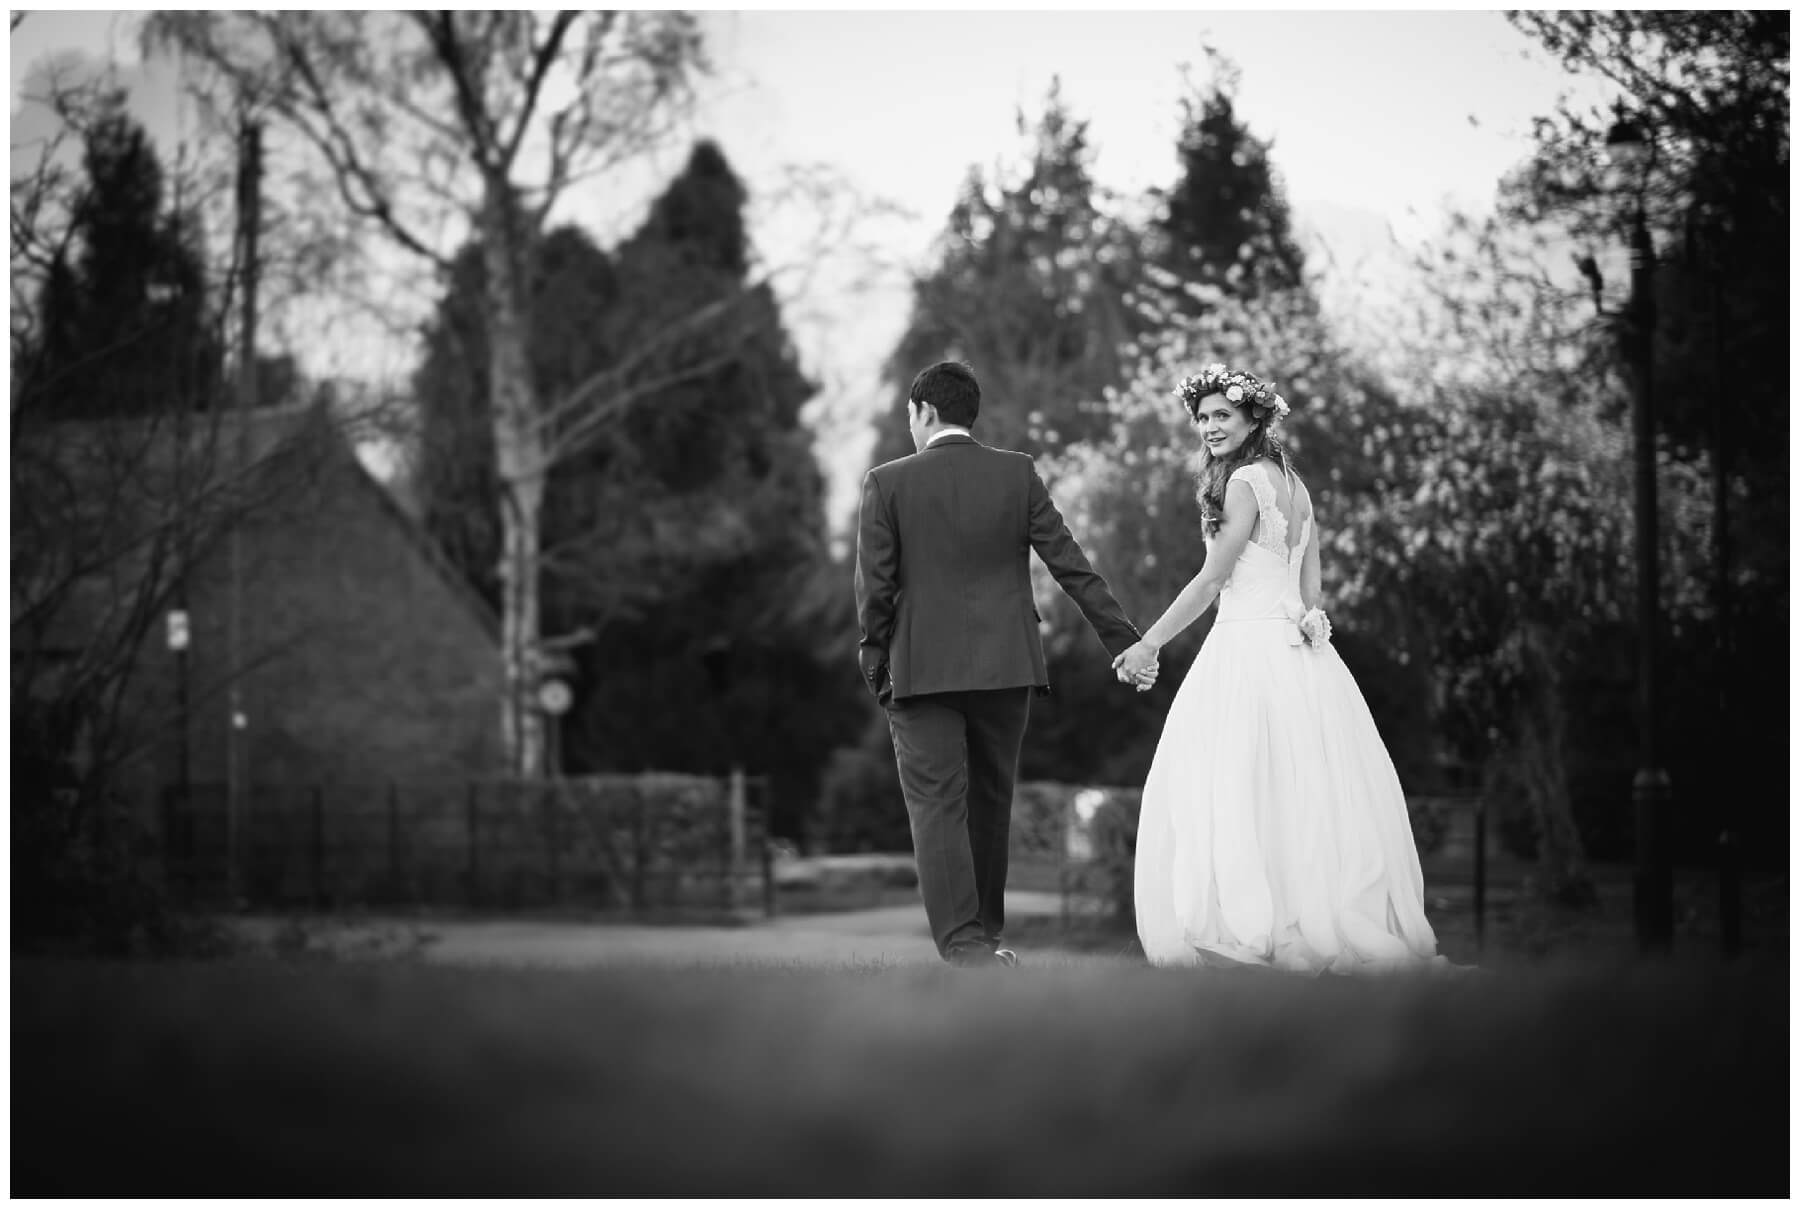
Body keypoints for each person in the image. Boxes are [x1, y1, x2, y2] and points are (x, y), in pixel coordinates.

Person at [1113, 363, 1447, 974]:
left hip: (1246, 652)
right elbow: (1312, 587)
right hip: (1302, 658)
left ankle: (1252, 925)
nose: (1210, 427)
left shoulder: (1242, 482)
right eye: (1203, 417)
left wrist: (1149, 643)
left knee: (1237, 786)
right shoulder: (1296, 486)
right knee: (1303, 792)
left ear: (1254, 418)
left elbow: (1214, 578)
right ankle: (1305, 916)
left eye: (1223, 416)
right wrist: (1304, 628)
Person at [855, 361, 1146, 968]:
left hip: (921, 672)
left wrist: (875, 664)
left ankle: (965, 946)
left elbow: (875, 592)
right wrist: (1125, 639)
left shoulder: (886, 483)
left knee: (938, 804)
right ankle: (983, 938)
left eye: (909, 415)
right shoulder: (1017, 473)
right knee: (991, 799)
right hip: (1006, 668)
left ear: (923, 412)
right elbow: (1071, 564)